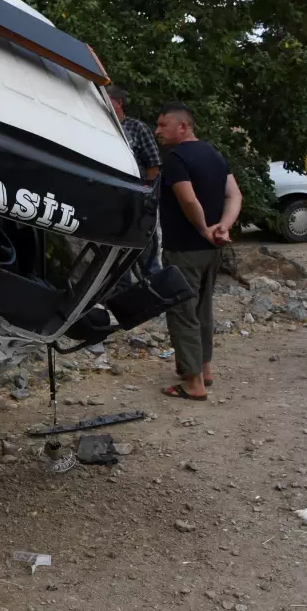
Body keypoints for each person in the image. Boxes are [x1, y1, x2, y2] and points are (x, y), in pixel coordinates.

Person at [154, 102, 242, 401]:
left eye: (162, 125)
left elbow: (188, 201)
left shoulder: (176, 158)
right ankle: (204, 368)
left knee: (182, 311)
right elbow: (234, 195)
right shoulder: (214, 155)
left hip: (184, 249)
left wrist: (204, 227)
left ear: (183, 126)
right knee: (203, 308)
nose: (157, 131)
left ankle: (193, 384)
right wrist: (224, 227)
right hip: (211, 250)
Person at [106, 85, 163, 277]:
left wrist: (146, 192)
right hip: (111, 199)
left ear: (119, 103)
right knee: (113, 258)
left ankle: (154, 296)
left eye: (107, 99)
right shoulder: (101, 126)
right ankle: (118, 298)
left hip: (137, 200)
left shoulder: (136, 128)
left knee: (145, 254)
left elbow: (153, 164)